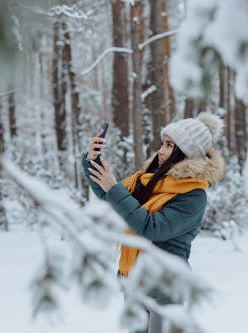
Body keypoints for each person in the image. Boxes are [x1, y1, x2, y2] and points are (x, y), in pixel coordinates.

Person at [81, 112, 225, 333]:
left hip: (165, 284)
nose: (161, 150)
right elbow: (115, 202)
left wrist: (114, 189)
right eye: (162, 143)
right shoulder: (149, 181)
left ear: (186, 153)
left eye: (170, 145)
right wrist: (93, 160)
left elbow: (151, 227)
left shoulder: (193, 195)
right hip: (135, 279)